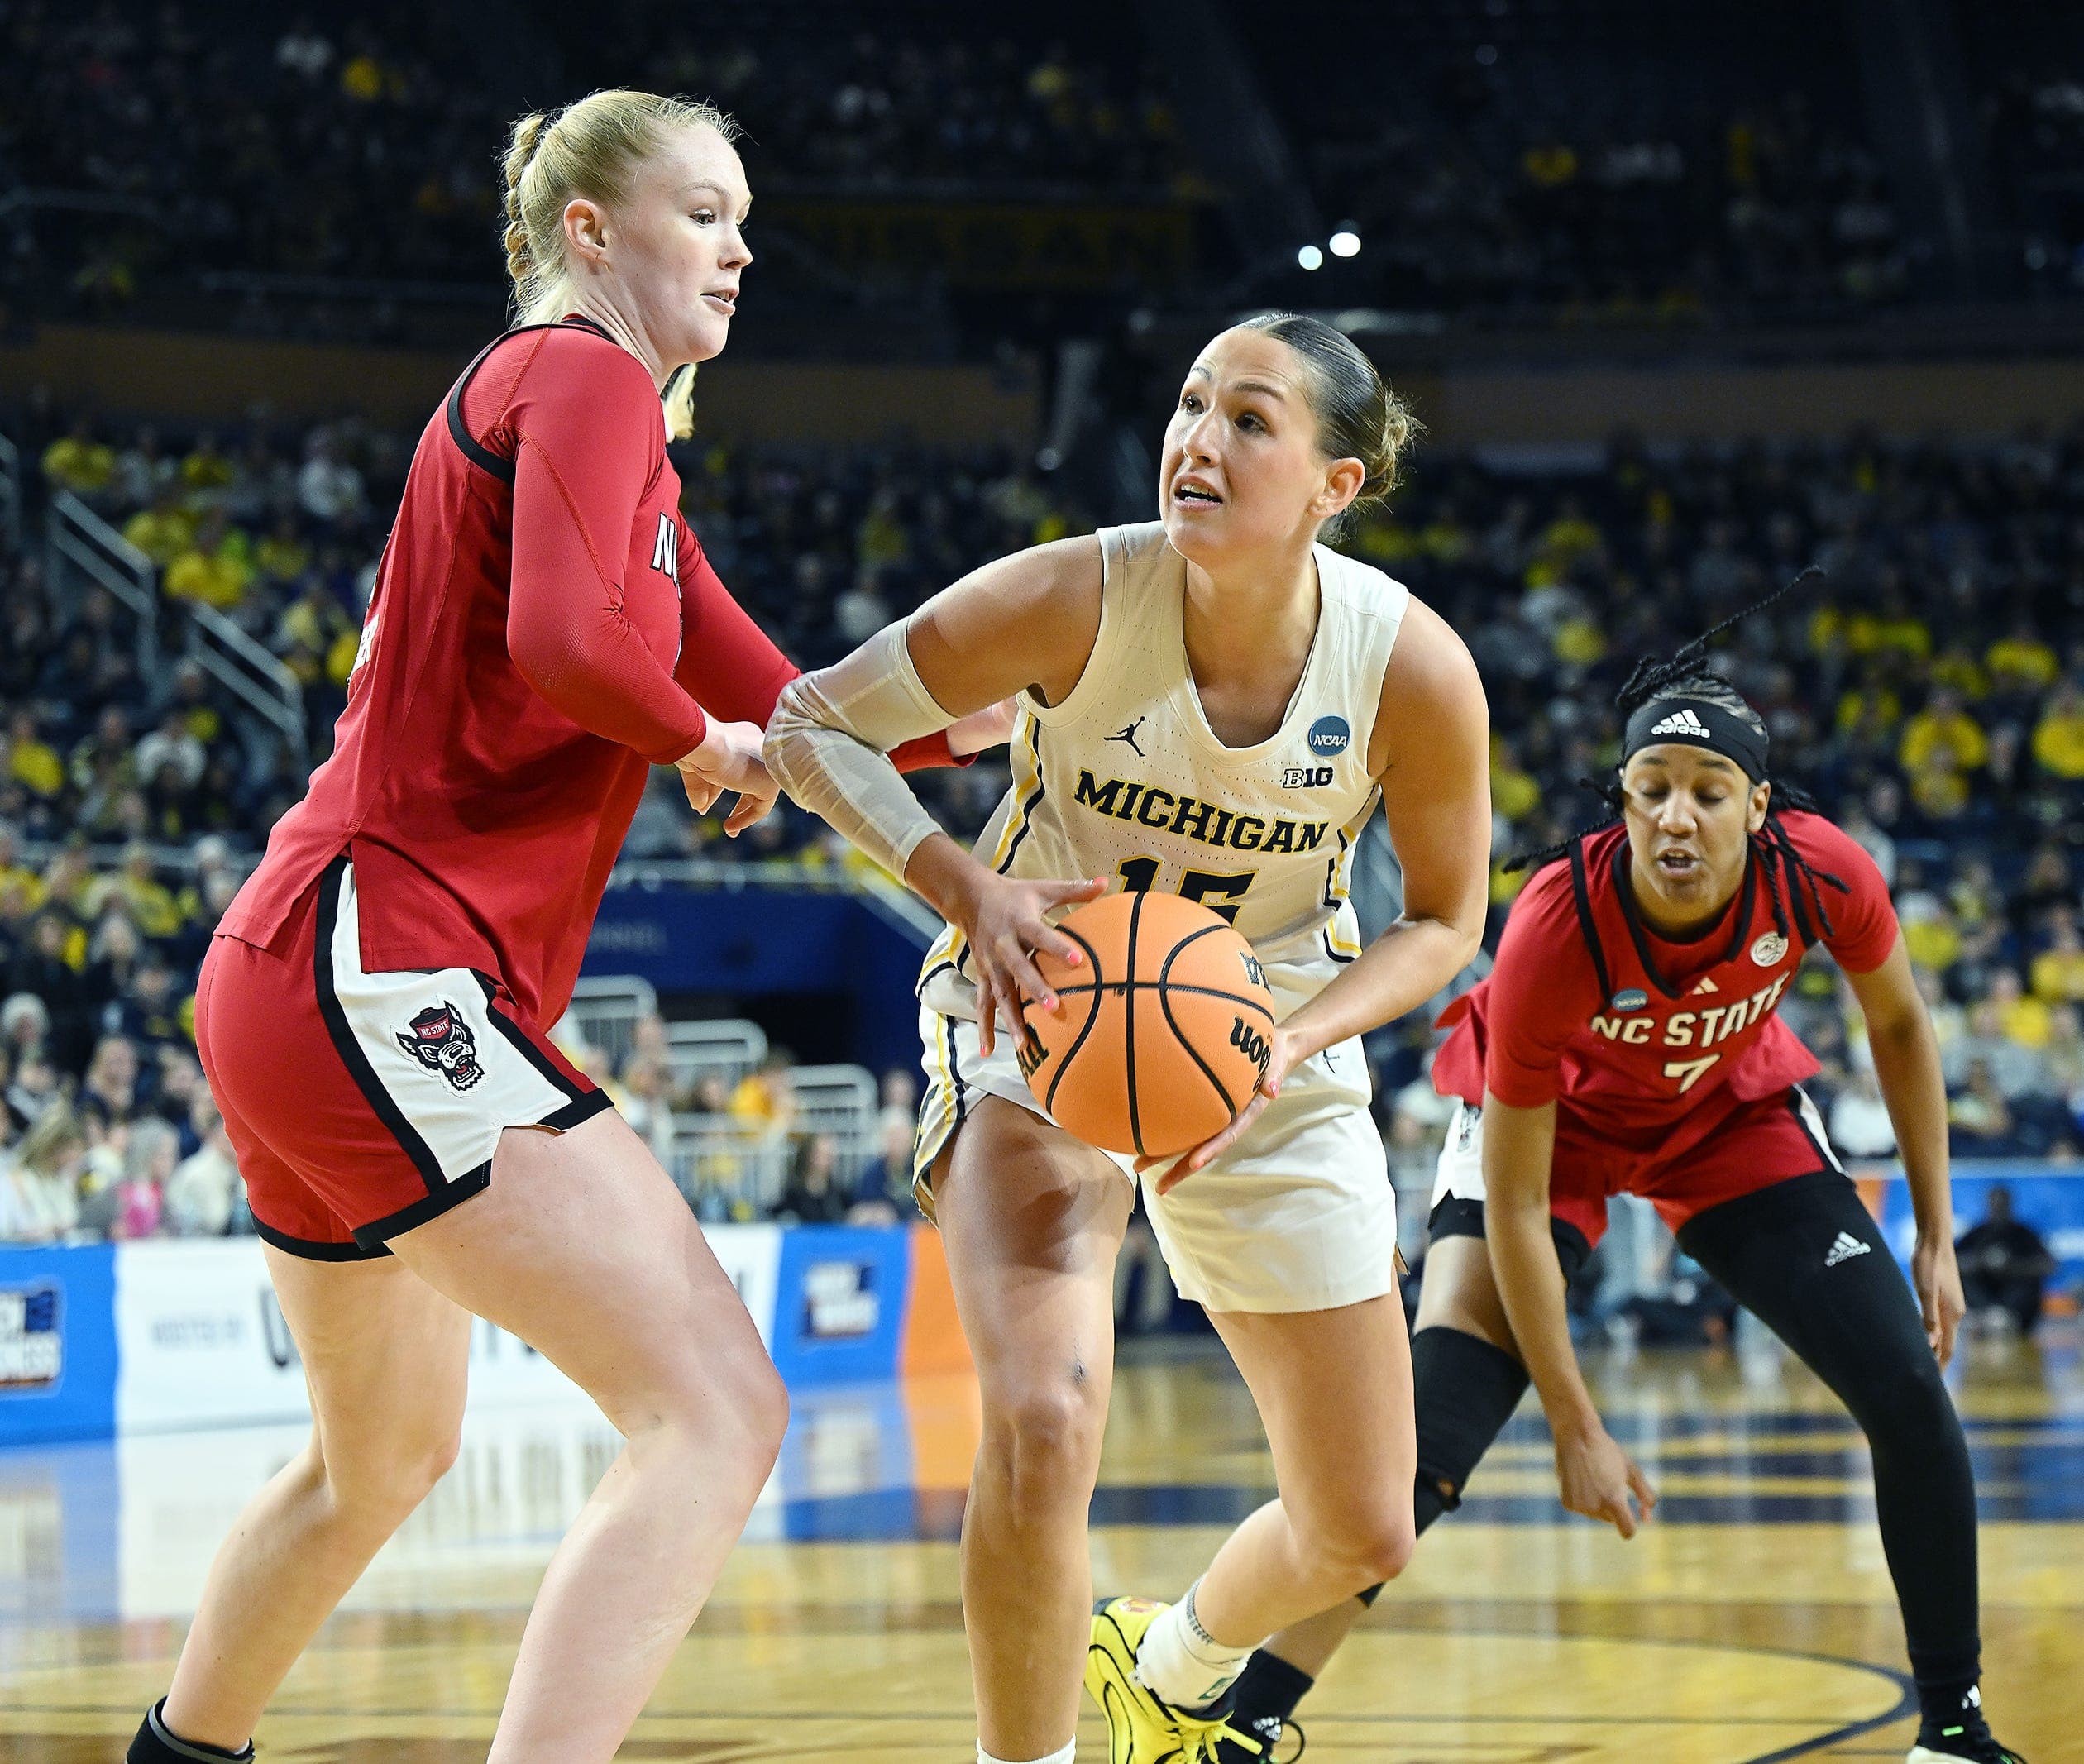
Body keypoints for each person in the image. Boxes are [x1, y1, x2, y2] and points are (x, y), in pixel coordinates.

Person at [130, 88, 997, 1764]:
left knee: (374, 1462)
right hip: (384, 961)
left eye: (746, 217)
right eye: (702, 209)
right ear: (589, 233)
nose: (741, 244)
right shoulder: (584, 375)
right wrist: (696, 743)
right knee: (721, 1407)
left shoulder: (607, 456)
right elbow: (567, 651)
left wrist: (1041, 729)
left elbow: (814, 716)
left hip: (298, 971)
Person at [767, 311, 1492, 1764]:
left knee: (1367, 1520)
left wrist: (1288, 1044)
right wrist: (969, 888)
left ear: (1336, 484)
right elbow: (807, 722)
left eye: (1249, 419)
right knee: (1044, 1416)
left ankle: (1165, 1660)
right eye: (1187, 404)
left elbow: (1444, 920)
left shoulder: (1410, 665)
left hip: (1267, 1024)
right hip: (1039, 1007)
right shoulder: (1072, 596)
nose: (1197, 440)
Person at [1219, 581, 2028, 1764]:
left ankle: (1952, 1725)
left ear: (1758, 808)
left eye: (1708, 794)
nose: (1679, 818)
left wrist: (1939, 1231)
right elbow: (1510, 1198)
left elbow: (1902, 1030)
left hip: (1723, 1113)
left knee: (1909, 1393)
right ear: (1625, 804)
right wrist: (1574, 1420)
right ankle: (1242, 1718)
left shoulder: (1822, 872)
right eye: (1653, 792)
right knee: (1429, 1448)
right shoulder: (1559, 920)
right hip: (1552, 1140)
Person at [1956, 1186, 2054, 1336]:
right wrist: (1982, 1262)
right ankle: (1986, 1316)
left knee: (2031, 1281)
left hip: (2016, 1305)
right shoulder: (1977, 1234)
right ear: (1988, 1205)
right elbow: (1953, 1264)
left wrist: (2012, 1265)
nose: (1998, 1209)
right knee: (1963, 1277)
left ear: (2010, 1205)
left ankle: (2005, 1317)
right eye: (1995, 1205)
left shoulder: (2024, 1234)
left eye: (2002, 1205)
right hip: (1984, 1299)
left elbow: (2049, 1265)